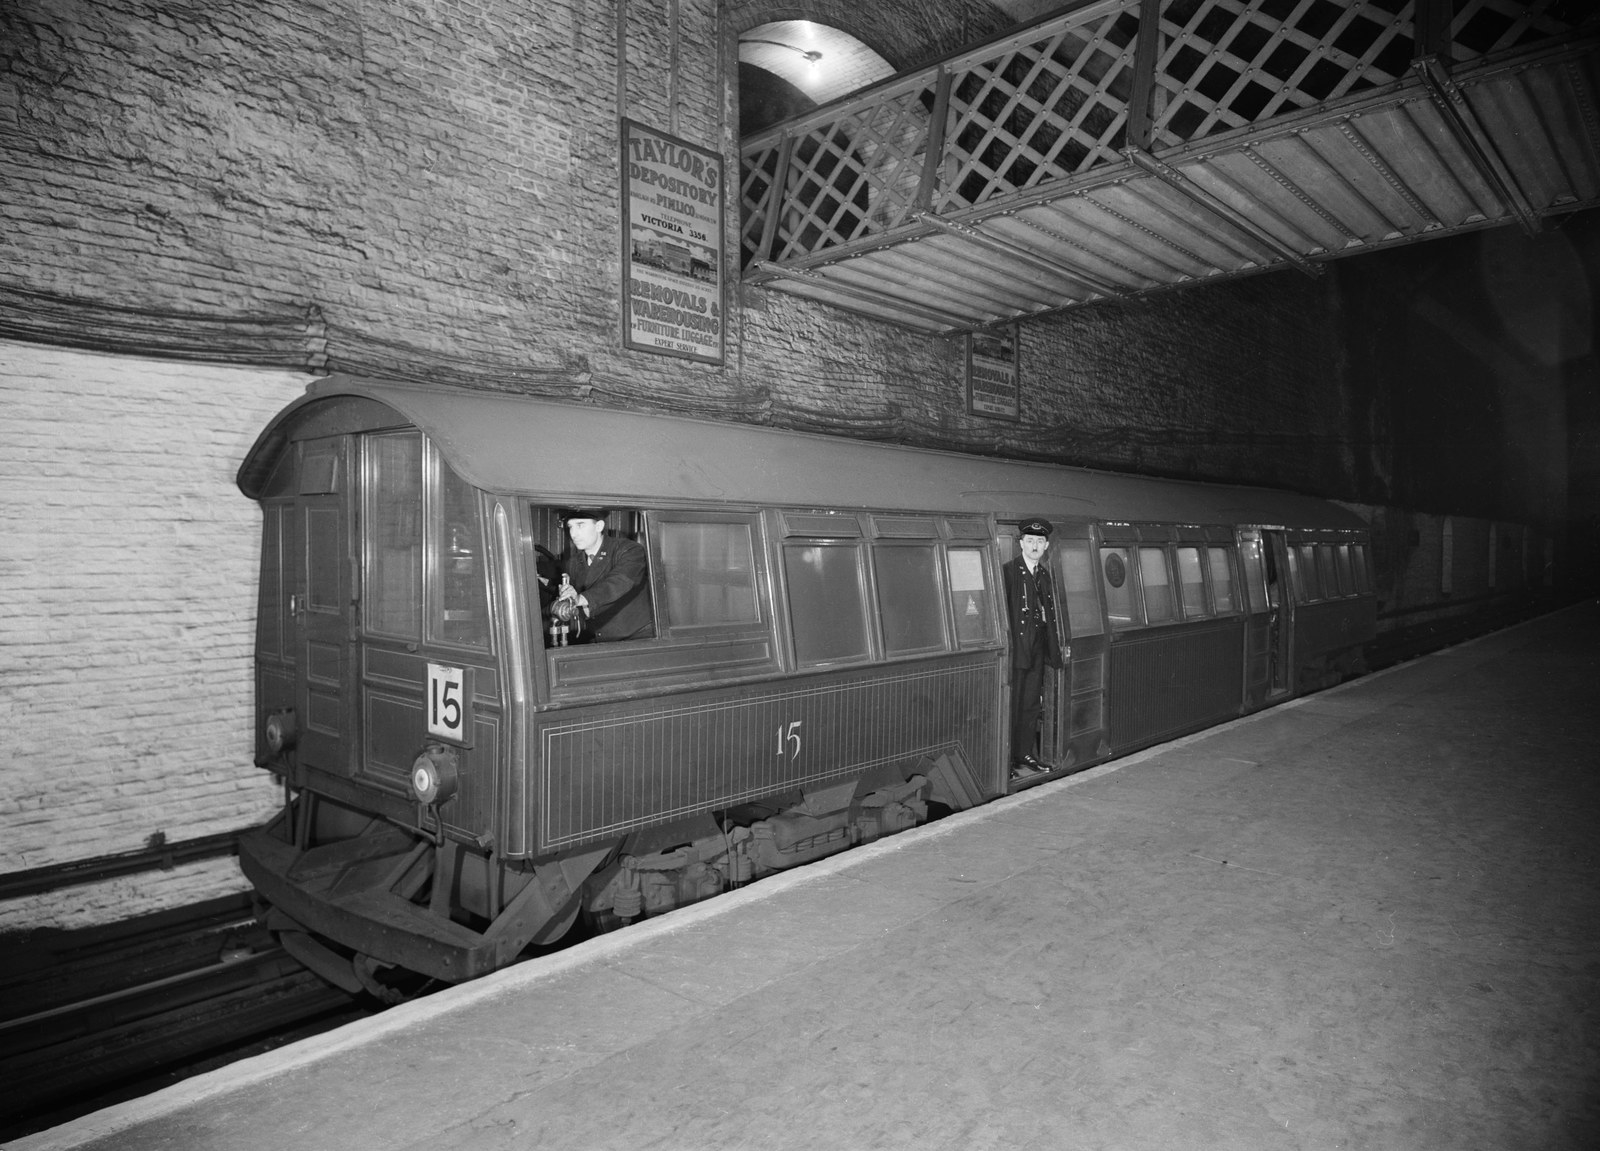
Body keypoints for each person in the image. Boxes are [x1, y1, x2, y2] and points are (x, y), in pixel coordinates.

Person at [1003, 516, 1064, 781]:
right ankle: (1005, 759)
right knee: (1012, 704)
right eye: (1030, 541)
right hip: (1017, 649)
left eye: (1040, 541)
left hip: (1038, 646)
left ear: (1047, 545)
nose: (1035, 546)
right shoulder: (1009, 572)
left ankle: (1023, 753)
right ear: (1021, 544)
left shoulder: (1044, 574)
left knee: (1029, 704)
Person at [551, 507, 656, 642]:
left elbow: (619, 582)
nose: (573, 534)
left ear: (599, 526)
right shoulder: (574, 563)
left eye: (580, 525)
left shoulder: (629, 550)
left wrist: (579, 598)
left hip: (637, 636)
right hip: (600, 638)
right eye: (570, 526)